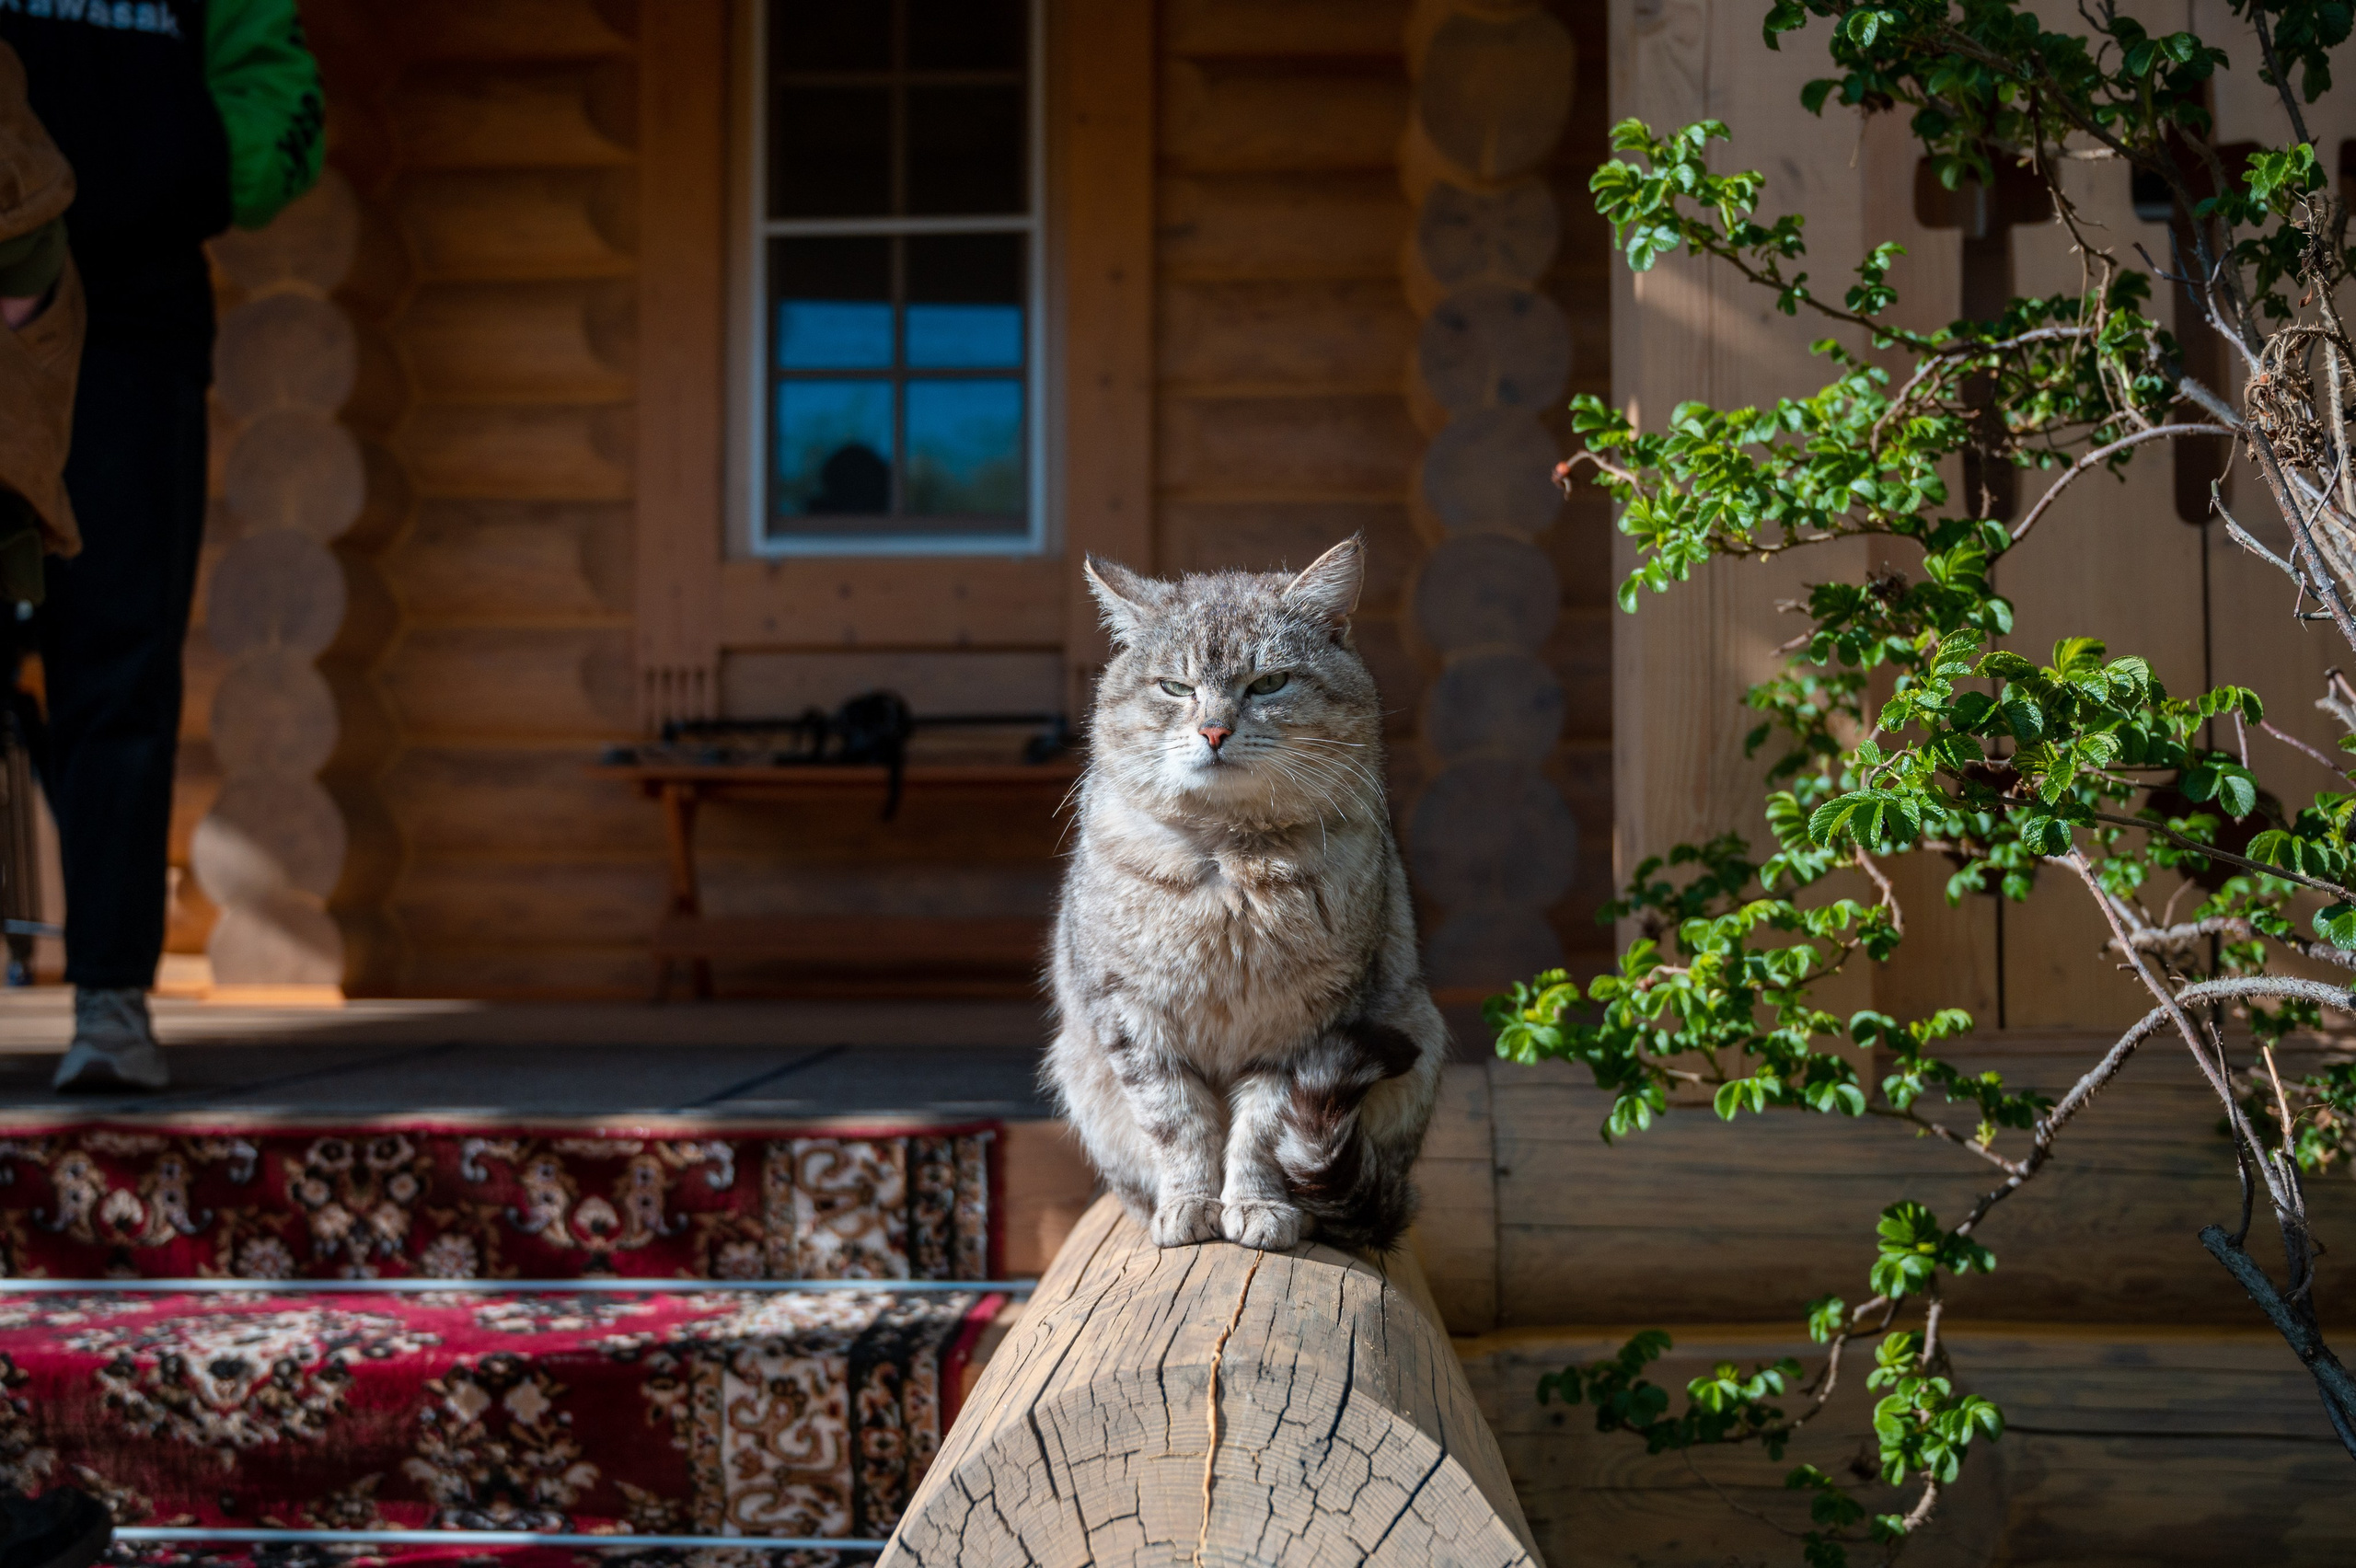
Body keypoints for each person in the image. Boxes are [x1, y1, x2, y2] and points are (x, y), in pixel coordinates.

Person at [0, 0, 323, 1092]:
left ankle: (110, 1004)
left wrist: (180, 171)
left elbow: (277, 92)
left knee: (120, 666)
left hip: (137, 329)